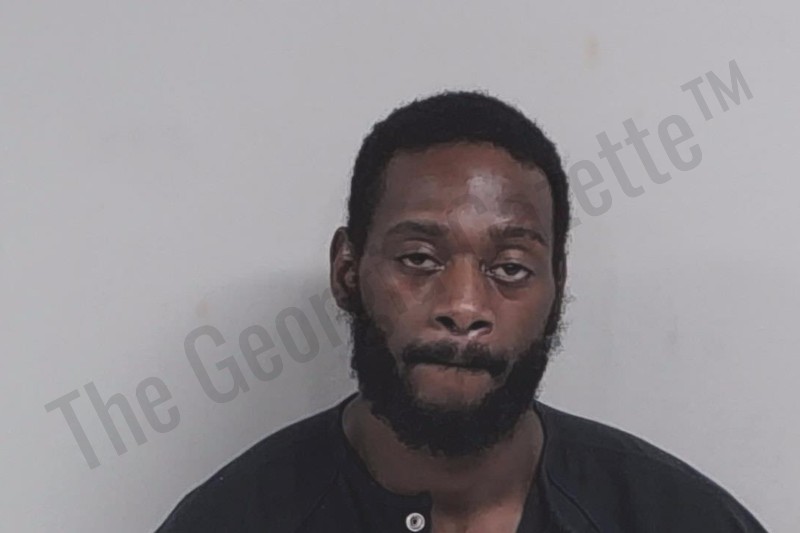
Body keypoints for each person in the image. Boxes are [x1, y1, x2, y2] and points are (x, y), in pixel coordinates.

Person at [156, 91, 767, 532]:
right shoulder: (231, 519)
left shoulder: (678, 517)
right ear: (348, 270)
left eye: (511, 268)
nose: (465, 306)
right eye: (419, 259)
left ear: (557, 286)